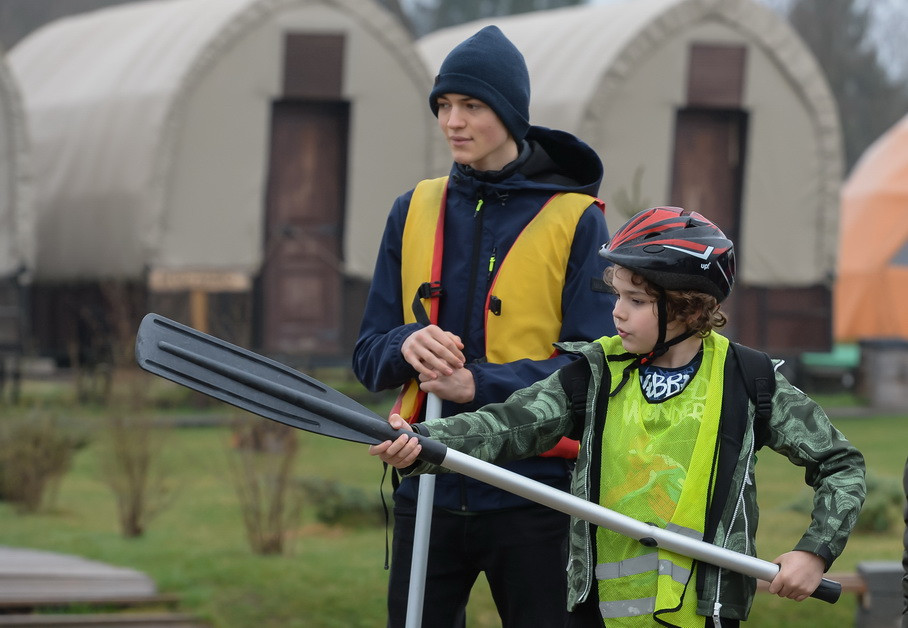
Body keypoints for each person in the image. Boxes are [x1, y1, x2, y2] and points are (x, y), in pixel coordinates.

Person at [371, 207, 866, 627]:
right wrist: (424, 441)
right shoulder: (596, 372)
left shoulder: (749, 380)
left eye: (638, 301)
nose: (618, 313)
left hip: (702, 614)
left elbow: (840, 465)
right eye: (618, 297)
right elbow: (509, 424)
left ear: (691, 309)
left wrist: (814, 551)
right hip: (599, 615)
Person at [352, 24, 615, 628]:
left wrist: (480, 385)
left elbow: (596, 370)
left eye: (471, 105)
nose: (453, 121)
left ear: (511, 114)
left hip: (536, 492)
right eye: (443, 105)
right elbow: (367, 355)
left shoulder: (577, 220)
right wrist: (406, 343)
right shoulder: (411, 209)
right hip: (425, 482)